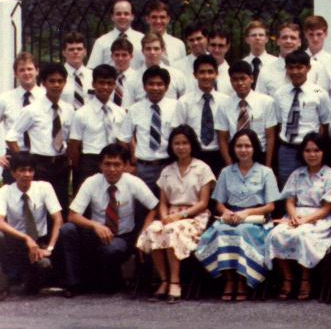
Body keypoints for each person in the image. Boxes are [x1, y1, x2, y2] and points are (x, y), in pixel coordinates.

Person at [60, 143, 158, 296]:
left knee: (112, 250)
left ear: (125, 166)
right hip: (95, 234)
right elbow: (72, 215)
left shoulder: (133, 182)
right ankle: (74, 284)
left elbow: (154, 207)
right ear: (100, 165)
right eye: (107, 164)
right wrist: (95, 225)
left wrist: (144, 230)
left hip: (122, 237)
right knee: (67, 229)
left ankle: (108, 280)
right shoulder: (92, 182)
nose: (112, 169)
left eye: (117, 165)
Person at [194, 129, 279, 301]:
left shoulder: (266, 172)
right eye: (239, 146)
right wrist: (226, 212)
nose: (243, 150)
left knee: (242, 232)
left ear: (254, 148)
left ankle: (242, 280)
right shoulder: (226, 172)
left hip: (256, 219)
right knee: (220, 231)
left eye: (247, 146)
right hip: (230, 216)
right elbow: (218, 202)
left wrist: (246, 213)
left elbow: (271, 205)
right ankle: (229, 280)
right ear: (233, 148)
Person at [135, 126, 215, 304]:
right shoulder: (167, 171)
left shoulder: (203, 168)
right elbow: (163, 202)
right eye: (176, 143)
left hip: (195, 217)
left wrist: (180, 216)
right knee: (153, 230)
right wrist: (164, 217)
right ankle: (164, 280)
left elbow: (203, 203)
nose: (181, 147)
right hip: (170, 214)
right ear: (171, 146)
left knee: (171, 231)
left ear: (192, 144)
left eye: (185, 143)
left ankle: (175, 281)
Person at [267, 133, 331, 301]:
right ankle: (288, 278)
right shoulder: (297, 174)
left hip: (318, 218)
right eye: (308, 150)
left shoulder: (330, 176)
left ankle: (305, 278)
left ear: (324, 152)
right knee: (275, 234)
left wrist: (304, 221)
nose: (312, 154)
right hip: (295, 215)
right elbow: (290, 200)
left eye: (316, 150)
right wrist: (294, 217)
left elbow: (327, 208)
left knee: (302, 235)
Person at [5, 63, 73, 208]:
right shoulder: (32, 110)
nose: (56, 85)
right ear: (43, 83)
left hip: (61, 165)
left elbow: (69, 138)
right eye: (52, 81)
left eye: (60, 81)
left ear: (65, 83)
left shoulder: (68, 109)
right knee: (39, 206)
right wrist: (24, 162)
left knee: (61, 205)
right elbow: (11, 136)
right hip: (40, 164)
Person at [0, 153, 62, 297]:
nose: (27, 174)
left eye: (30, 170)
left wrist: (50, 247)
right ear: (13, 173)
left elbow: (58, 219)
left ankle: (31, 282)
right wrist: (26, 239)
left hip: (39, 242)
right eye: (22, 170)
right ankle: (3, 285)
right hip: (16, 242)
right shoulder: (5, 191)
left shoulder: (44, 187)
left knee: (43, 264)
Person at [117, 65, 182, 194]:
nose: (155, 88)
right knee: (143, 208)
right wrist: (129, 164)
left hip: (170, 165)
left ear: (167, 87)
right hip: (143, 168)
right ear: (144, 86)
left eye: (160, 84)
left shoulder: (176, 107)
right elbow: (124, 139)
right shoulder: (135, 109)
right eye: (151, 84)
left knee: (169, 206)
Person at [272, 51, 331, 185]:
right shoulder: (280, 93)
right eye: (291, 68)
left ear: (308, 68)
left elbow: (325, 123)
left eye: (299, 67)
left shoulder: (318, 92)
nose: (295, 72)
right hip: (287, 148)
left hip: (311, 149)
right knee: (286, 185)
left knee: (312, 185)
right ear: (286, 69)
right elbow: (279, 123)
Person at [68, 64, 125, 192]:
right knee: (87, 201)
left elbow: (123, 141)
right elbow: (74, 145)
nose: (105, 87)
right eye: (101, 83)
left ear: (114, 85)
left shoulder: (120, 112)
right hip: (90, 161)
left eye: (110, 83)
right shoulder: (81, 113)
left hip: (113, 161)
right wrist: (81, 167)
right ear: (93, 84)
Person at [215, 60, 278, 170]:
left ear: (252, 79)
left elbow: (270, 137)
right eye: (235, 79)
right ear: (230, 81)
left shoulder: (266, 102)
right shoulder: (224, 105)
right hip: (235, 156)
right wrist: (230, 166)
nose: (239, 83)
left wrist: (268, 166)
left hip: (260, 155)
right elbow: (222, 139)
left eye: (243, 78)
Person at [174, 55, 229, 177]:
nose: (206, 76)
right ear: (195, 75)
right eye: (202, 72)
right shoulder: (184, 102)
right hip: (193, 156)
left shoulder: (226, 101)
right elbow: (178, 133)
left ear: (217, 74)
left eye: (210, 72)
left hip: (219, 156)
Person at [86, 0, 144, 68]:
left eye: (126, 14)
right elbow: (92, 69)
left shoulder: (142, 40)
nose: (122, 17)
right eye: (118, 14)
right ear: (112, 17)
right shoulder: (101, 42)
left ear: (132, 17)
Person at [241, 20, 279, 86]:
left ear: (266, 39)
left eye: (261, 35)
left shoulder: (276, 63)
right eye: (253, 35)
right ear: (247, 39)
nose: (257, 38)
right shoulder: (242, 64)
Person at [60, 32, 92, 110]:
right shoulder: (57, 77)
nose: (76, 52)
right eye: (71, 49)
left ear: (85, 52)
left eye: (79, 49)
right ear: (64, 53)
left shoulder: (93, 76)